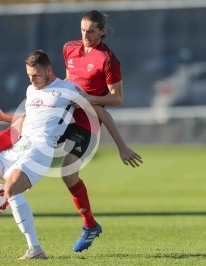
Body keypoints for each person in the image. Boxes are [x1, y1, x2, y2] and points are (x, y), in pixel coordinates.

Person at [0, 50, 80, 260]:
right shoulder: (31, 90)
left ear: (49, 70)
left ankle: (35, 249)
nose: (32, 79)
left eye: (36, 75)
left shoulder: (68, 89)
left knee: (11, 187)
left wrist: (115, 143)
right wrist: (5, 117)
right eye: (29, 75)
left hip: (41, 150)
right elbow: (29, 119)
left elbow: (96, 108)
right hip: (20, 146)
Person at [59, 9, 143, 252]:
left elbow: (116, 99)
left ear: (102, 31)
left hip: (88, 119)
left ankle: (89, 225)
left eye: (91, 31)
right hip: (64, 113)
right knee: (30, 136)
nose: (85, 35)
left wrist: (89, 98)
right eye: (83, 30)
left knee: (67, 173)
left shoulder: (108, 60)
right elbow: (68, 79)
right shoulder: (69, 49)